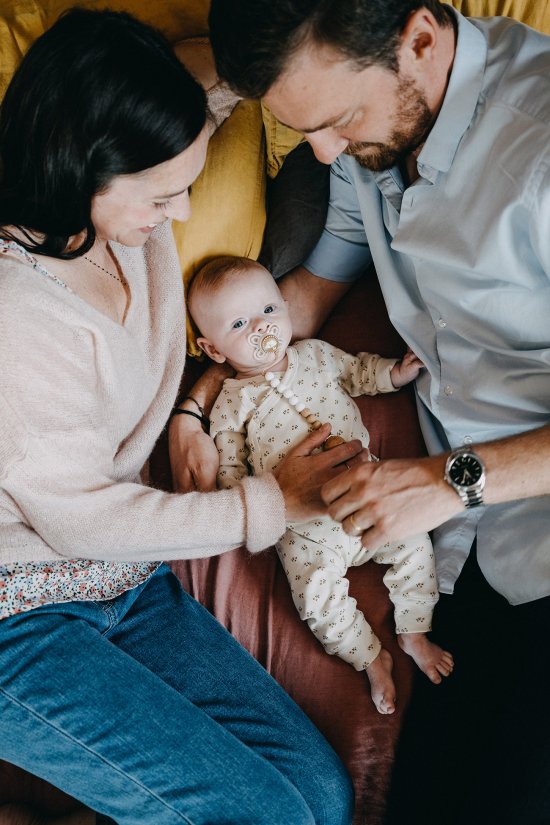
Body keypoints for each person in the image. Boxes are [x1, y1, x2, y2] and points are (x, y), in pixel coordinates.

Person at [177, 2, 550, 823]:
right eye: (303, 129)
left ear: (419, 39)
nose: (321, 153)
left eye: (337, 121)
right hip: (468, 557)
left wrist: (452, 480)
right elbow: (298, 305)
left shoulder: (541, 143)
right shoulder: (370, 145)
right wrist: (198, 408)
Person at [0, 9, 363, 825]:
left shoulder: (115, 202)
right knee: (271, 816)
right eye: (164, 194)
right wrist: (272, 502)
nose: (184, 209)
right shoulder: (18, 317)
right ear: (80, 164)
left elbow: (217, 70)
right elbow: (84, 519)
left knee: (323, 797)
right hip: (18, 613)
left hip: (121, 581)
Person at [188, 254, 453, 715]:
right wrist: (230, 497)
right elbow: (232, 473)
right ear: (213, 350)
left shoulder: (314, 355)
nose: (261, 328)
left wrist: (396, 374)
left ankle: (414, 630)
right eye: (239, 323)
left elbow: (359, 373)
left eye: (269, 310)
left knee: (414, 541)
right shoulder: (230, 404)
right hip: (304, 530)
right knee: (316, 598)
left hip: (364, 490)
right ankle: (370, 658)